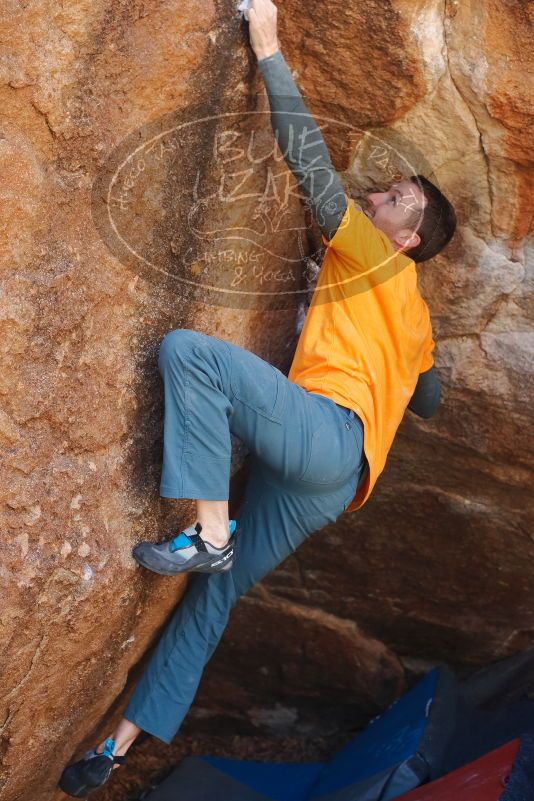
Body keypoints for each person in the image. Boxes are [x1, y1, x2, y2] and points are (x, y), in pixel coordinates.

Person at [59, 0, 456, 795]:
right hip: (332, 484)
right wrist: (401, 364)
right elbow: (434, 402)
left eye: (394, 197)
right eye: (385, 189)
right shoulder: (415, 318)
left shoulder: (374, 251)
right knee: (215, 597)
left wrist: (266, 41)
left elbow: (307, 161)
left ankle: (209, 528)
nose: (378, 193)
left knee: (189, 356)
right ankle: (116, 746)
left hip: (323, 437)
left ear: (406, 238)